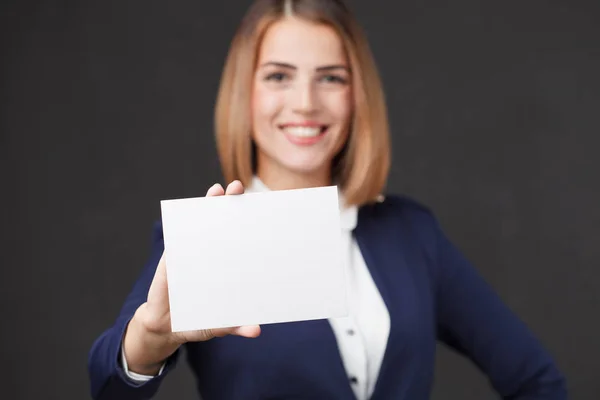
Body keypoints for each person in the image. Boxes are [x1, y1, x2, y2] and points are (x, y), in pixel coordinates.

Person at [87, 0, 567, 399]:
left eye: (331, 77)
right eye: (279, 76)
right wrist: (147, 340)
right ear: (245, 94)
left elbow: (534, 379)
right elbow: (109, 388)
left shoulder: (410, 233)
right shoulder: (206, 239)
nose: (305, 103)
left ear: (357, 94)